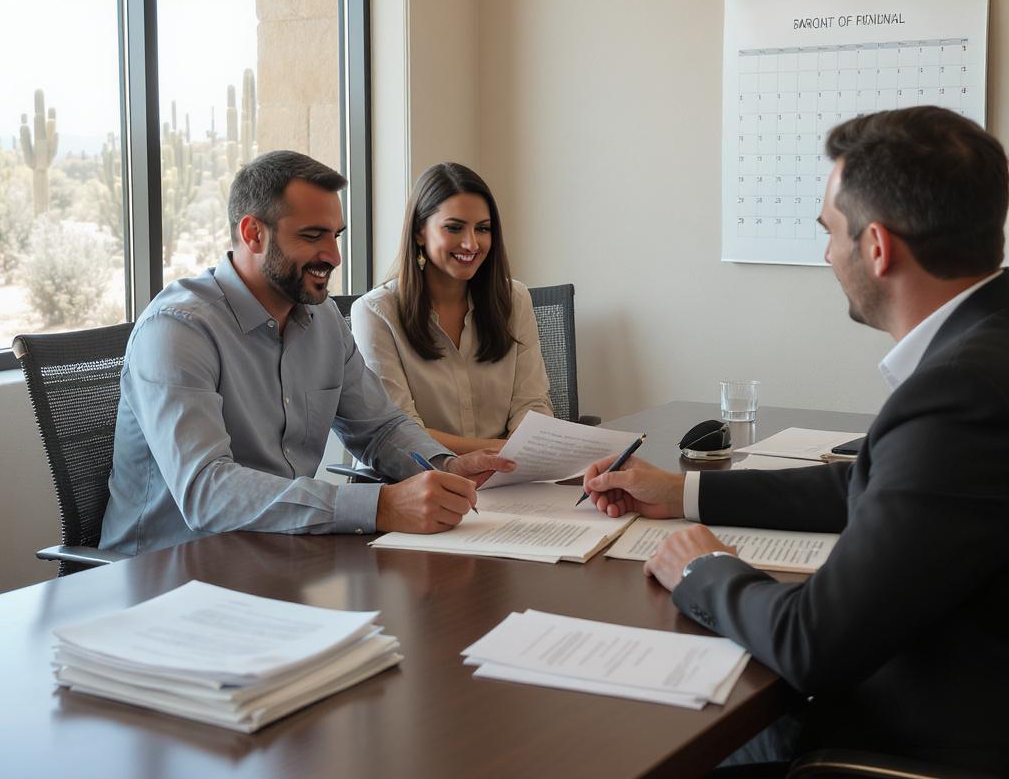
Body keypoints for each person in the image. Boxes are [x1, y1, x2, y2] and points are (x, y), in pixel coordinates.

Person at [583, 107, 1009, 774]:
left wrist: (701, 567)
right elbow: (878, 486)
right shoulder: (985, 348)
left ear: (877, 247)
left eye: (829, 232)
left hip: (905, 746)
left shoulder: (960, 392)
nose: (825, 254)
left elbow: (812, 642)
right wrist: (684, 491)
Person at [100, 151, 513, 556]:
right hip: (162, 576)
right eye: (312, 236)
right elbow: (207, 490)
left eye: (336, 236)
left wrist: (442, 466)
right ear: (253, 234)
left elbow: (380, 428)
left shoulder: (323, 319)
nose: (333, 256)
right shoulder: (178, 328)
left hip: (275, 555)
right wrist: (381, 506)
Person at [351, 162, 553, 456]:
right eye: (454, 227)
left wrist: (523, 452)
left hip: (507, 480)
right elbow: (400, 430)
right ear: (420, 232)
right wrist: (502, 451)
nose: (471, 243)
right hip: (419, 478)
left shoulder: (514, 299)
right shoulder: (375, 312)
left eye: (482, 229)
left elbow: (532, 404)